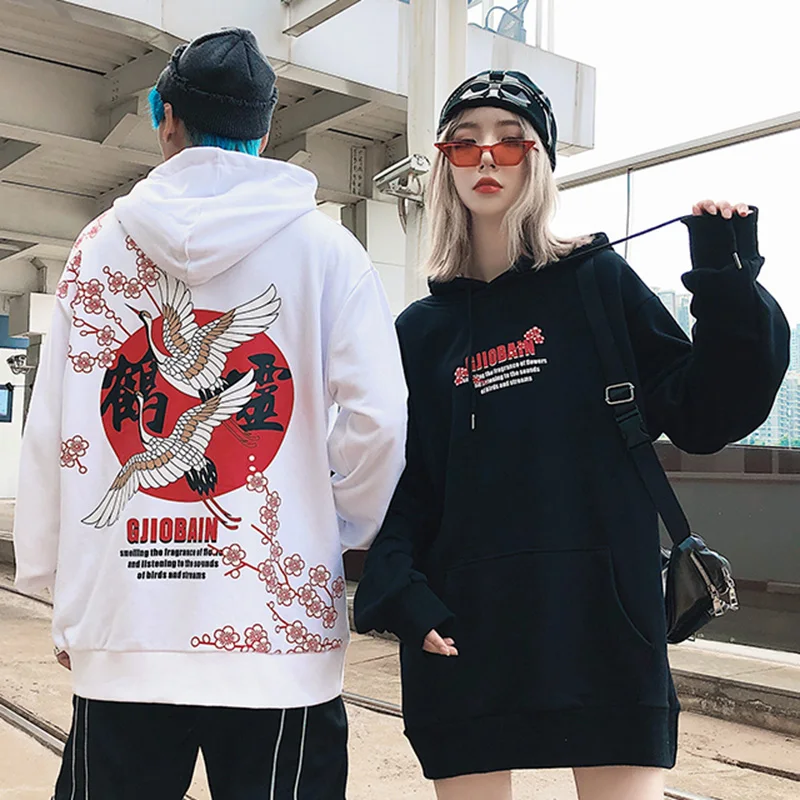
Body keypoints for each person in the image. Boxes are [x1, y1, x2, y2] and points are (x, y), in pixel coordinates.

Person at [353, 70, 789, 800]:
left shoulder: (598, 284)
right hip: (462, 629)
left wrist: (727, 273)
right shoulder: (420, 333)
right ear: (444, 165)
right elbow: (406, 487)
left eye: (509, 142)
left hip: (602, 620)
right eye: (464, 144)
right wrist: (403, 596)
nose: (486, 158)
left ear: (540, 161)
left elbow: (706, 412)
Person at [14, 28, 407, 800]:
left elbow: (53, 430)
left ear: (166, 119)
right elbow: (380, 420)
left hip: (126, 623)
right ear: (265, 127)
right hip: (278, 642)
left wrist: (61, 593)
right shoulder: (326, 251)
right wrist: (331, 527)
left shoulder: (97, 249)